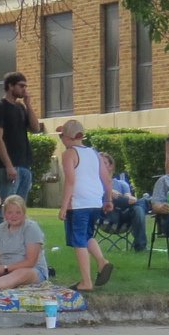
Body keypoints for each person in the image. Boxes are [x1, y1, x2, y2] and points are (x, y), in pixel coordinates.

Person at [57, 120, 115, 290]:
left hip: (79, 203)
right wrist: (108, 199)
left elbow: (70, 181)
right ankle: (102, 262)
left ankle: (86, 282)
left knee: (79, 242)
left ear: (67, 137)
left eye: (61, 136)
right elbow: (107, 178)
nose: (61, 139)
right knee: (87, 235)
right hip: (95, 202)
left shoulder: (69, 154)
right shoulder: (94, 153)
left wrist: (64, 206)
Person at [0, 71, 38, 203]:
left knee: (19, 208)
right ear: (10, 86)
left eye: (25, 86)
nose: (24, 89)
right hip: (8, 166)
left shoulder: (20, 107)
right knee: (5, 205)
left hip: (24, 165)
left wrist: (28, 105)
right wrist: (9, 165)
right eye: (21, 86)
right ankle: (1, 224)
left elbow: (35, 128)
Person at [103, 158, 147, 251]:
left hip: (125, 218)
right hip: (108, 217)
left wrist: (121, 198)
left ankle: (140, 247)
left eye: (104, 163)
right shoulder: (95, 183)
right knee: (140, 202)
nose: (100, 165)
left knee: (138, 209)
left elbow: (130, 200)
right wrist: (109, 192)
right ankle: (147, 202)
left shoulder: (122, 184)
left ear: (111, 166)